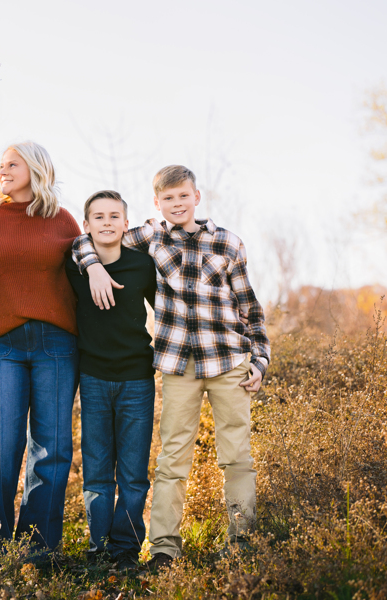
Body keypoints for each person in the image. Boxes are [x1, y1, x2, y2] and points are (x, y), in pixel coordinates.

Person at [73, 165, 270, 569]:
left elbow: (250, 308)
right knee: (172, 458)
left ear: (197, 196)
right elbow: (86, 240)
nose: (176, 204)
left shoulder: (229, 243)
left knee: (237, 456)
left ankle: (241, 543)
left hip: (229, 361)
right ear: (157, 203)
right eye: (168, 198)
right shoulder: (150, 235)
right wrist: (92, 265)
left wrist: (261, 358)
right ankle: (164, 547)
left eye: (183, 196)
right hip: (179, 365)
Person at [0, 141, 80, 557]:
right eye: (0, 164)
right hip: (4, 345)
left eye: (12, 163)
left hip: (57, 345)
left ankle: (39, 549)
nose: (3, 169)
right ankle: (0, 548)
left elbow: (86, 271)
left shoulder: (62, 220)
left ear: (35, 168)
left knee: (51, 449)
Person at [65, 190, 157, 571]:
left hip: (137, 378)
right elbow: (71, 246)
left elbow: (166, 310)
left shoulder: (142, 265)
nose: (106, 222)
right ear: (87, 226)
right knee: (98, 471)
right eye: (98, 217)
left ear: (125, 223)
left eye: (114, 216)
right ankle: (98, 547)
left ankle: (126, 549)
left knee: (134, 474)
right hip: (94, 379)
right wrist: (91, 265)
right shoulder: (75, 266)